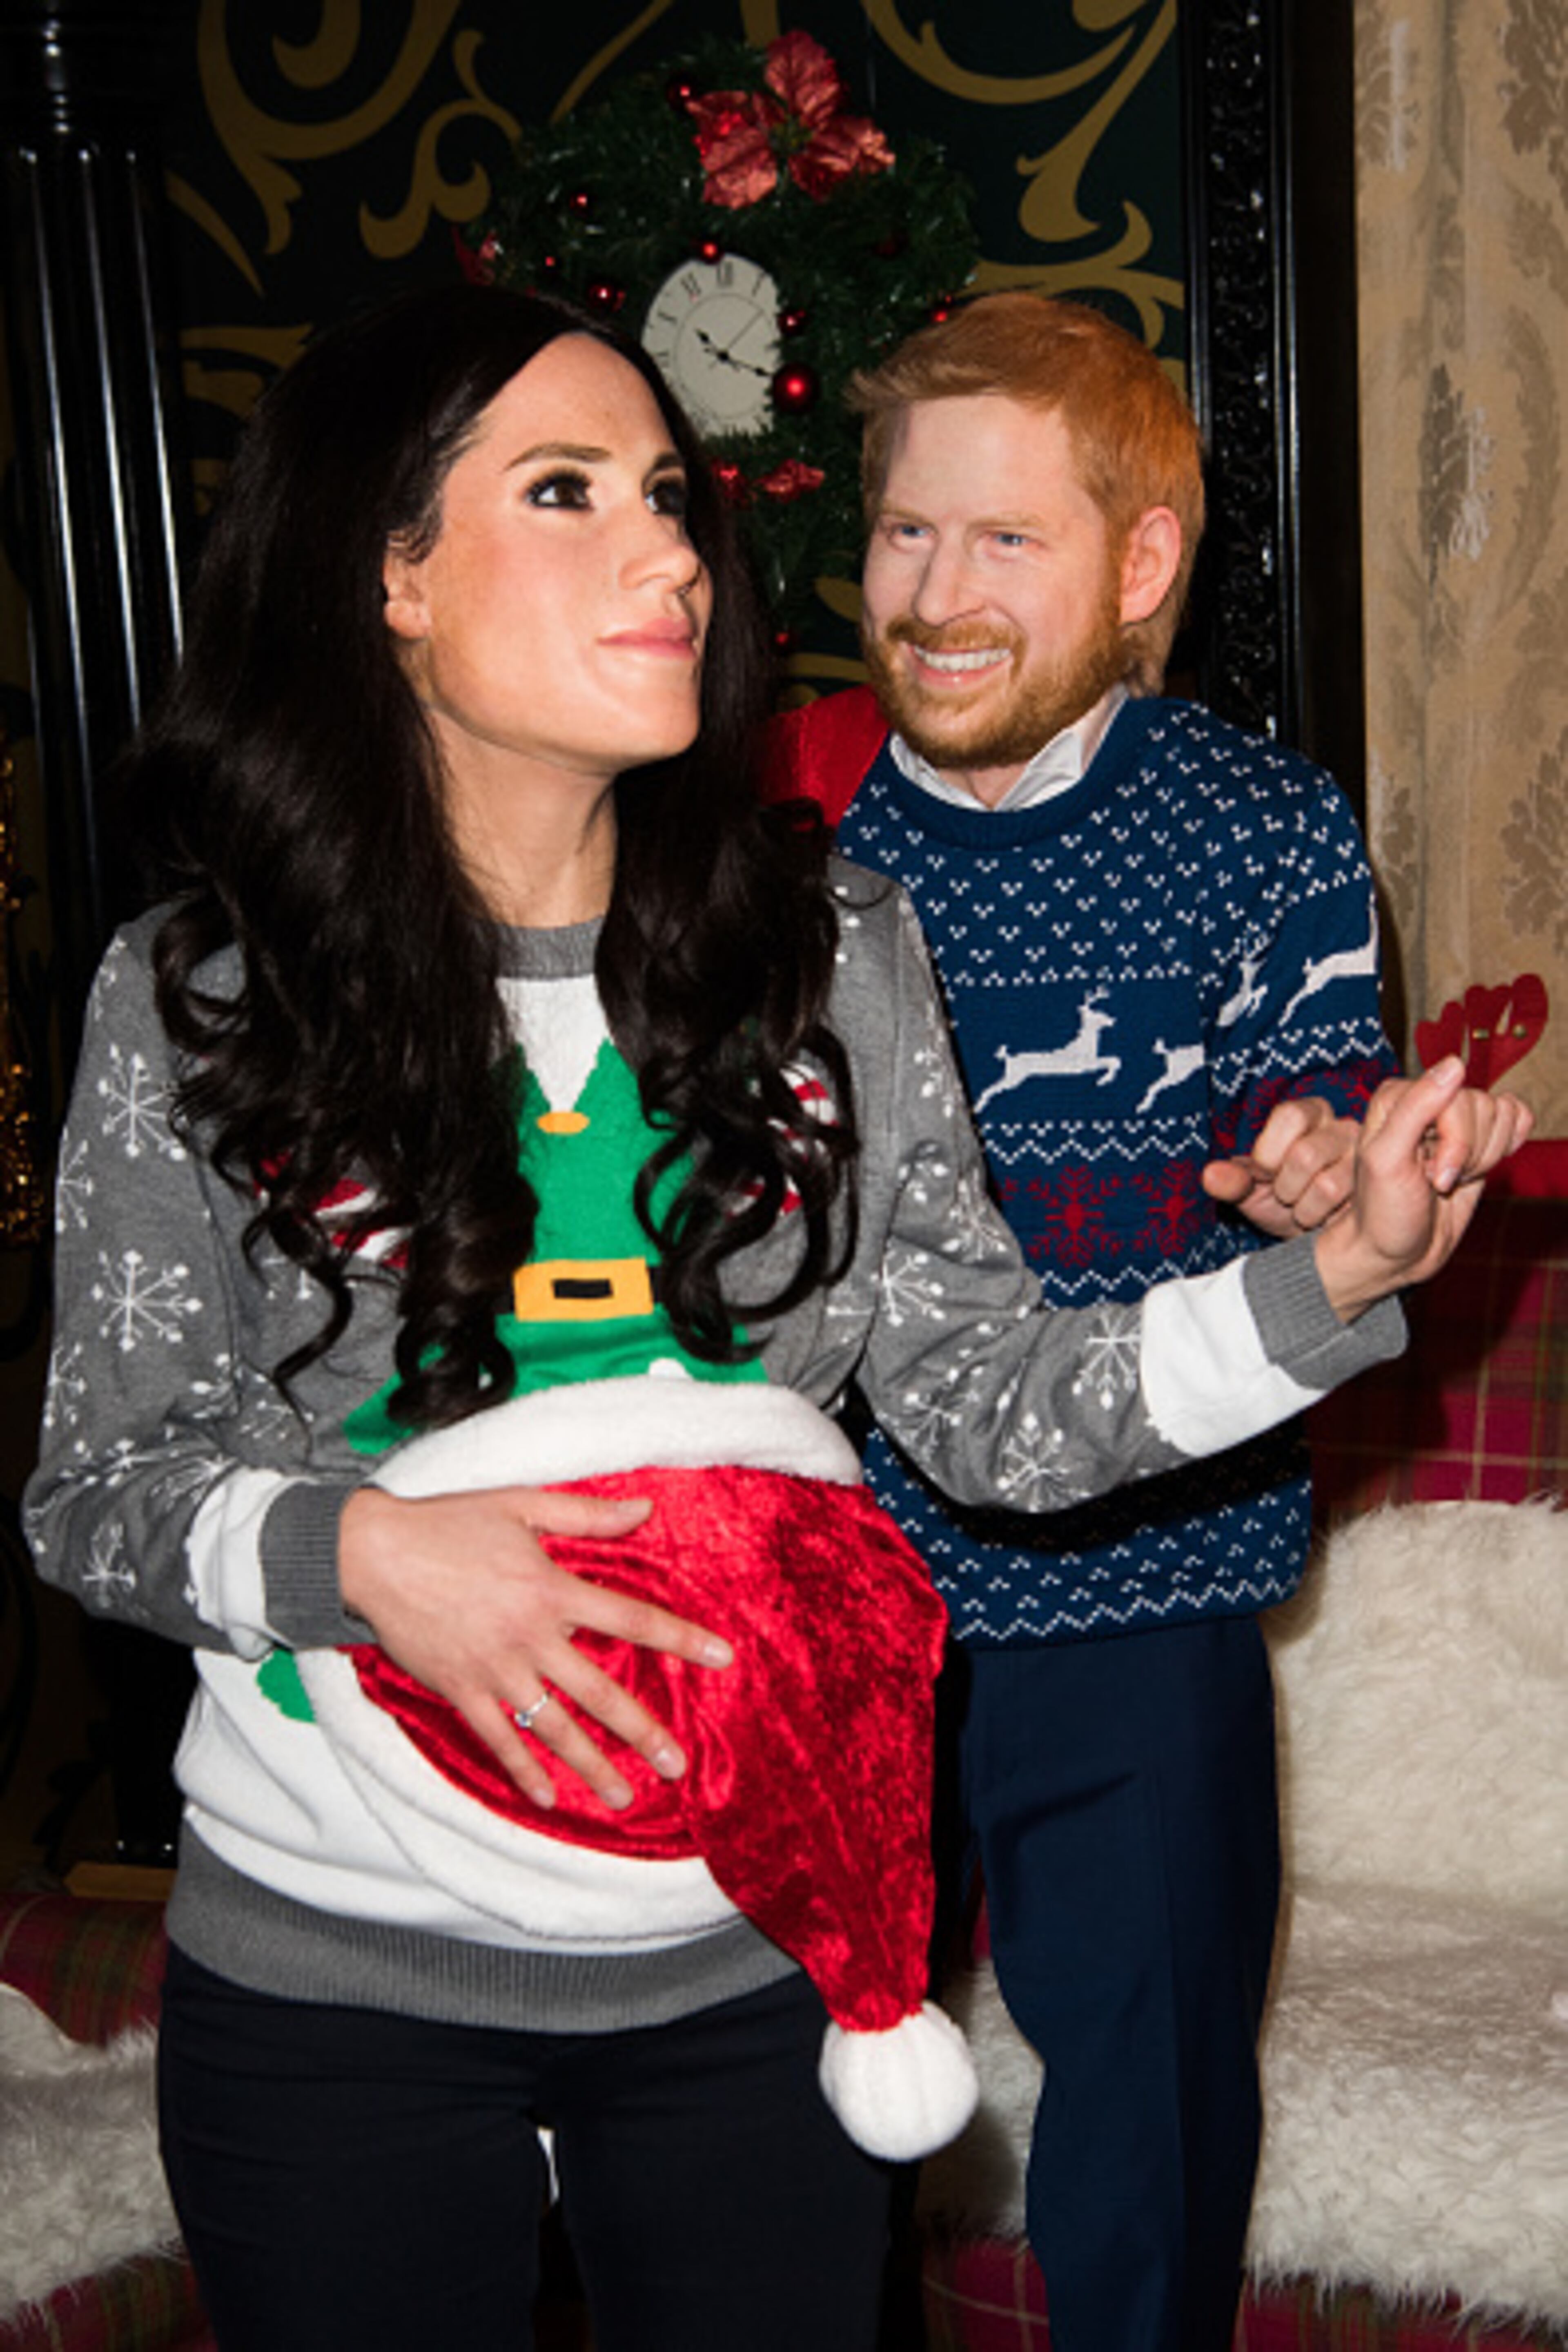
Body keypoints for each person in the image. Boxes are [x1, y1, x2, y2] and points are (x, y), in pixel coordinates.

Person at [23, 282, 1524, 2352]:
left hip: (760, 1985)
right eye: (567, 493)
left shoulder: (830, 943)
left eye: (667, 491)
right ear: (389, 570)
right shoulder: (192, 994)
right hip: (340, 1992)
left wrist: (1335, 1276)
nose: (670, 549)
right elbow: (99, 1491)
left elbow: (996, 1402)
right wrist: (359, 1555)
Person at [760, 290, 1440, 2352]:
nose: (937, 595)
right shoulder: (785, 858)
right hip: (835, 1596)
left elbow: (1307, 1095)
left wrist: (1314, 1163)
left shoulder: (1268, 829)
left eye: (1004, 541)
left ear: (1142, 563)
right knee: (788, 2124)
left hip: (1147, 1590)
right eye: (903, 537)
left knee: (1148, 2119)